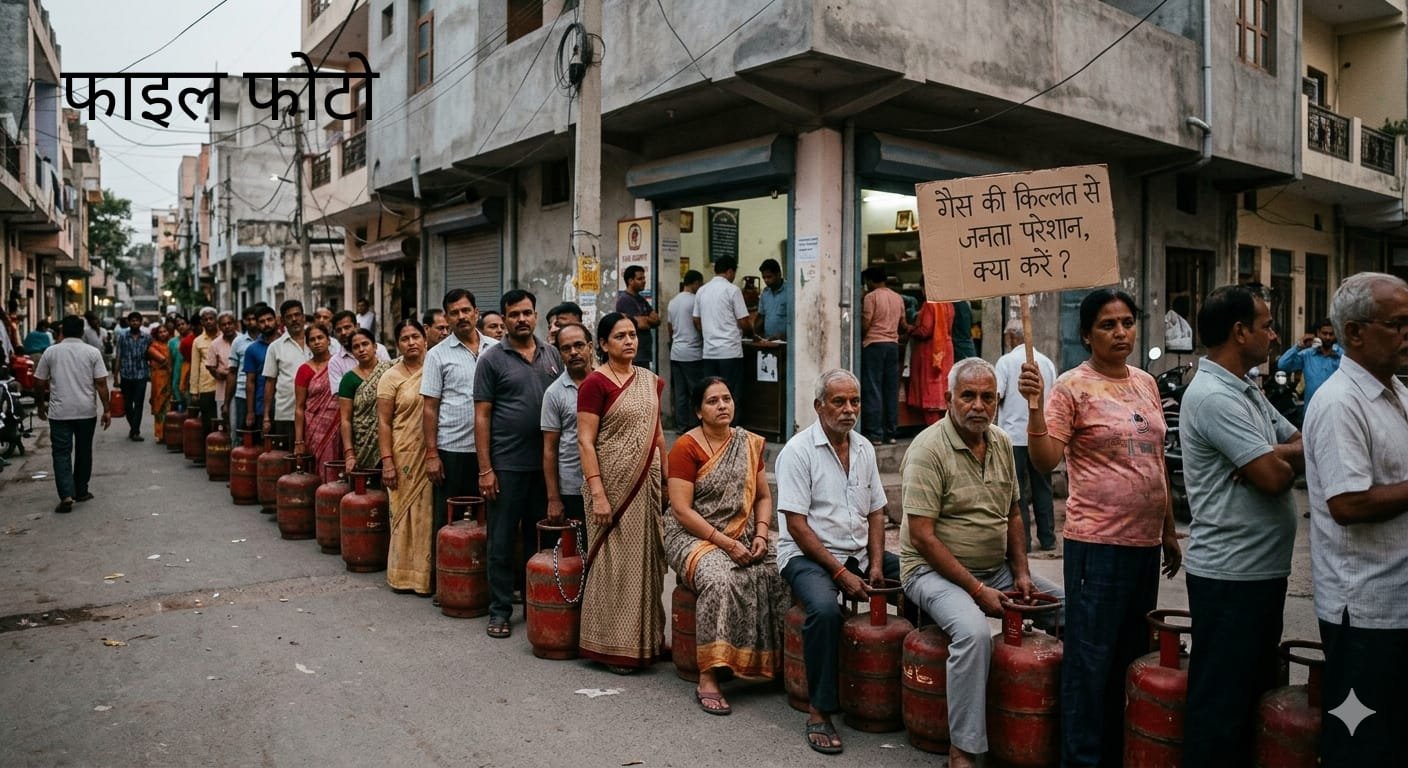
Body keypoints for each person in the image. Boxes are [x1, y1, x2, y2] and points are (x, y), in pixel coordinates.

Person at [1020, 288, 1182, 768]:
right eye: (1108, 325)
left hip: (1143, 544)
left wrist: (1168, 530)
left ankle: (1115, 751)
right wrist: (1033, 407)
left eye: (1127, 322)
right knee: (1090, 661)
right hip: (1097, 543)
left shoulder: (1146, 384)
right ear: (1087, 333)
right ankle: (1081, 758)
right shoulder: (1072, 386)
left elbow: (1157, 464)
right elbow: (1046, 460)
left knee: (1131, 653)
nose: (1120, 332)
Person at [901, 357, 1064, 768]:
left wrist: (1023, 573)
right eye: (968, 396)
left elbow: (1012, 514)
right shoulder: (928, 448)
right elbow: (922, 535)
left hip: (997, 569)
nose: (978, 405)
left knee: (1068, 607)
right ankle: (964, 750)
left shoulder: (1002, 442)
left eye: (987, 397)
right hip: (929, 570)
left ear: (997, 401)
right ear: (948, 398)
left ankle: (1063, 726)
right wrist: (976, 591)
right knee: (972, 634)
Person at [1179, 283, 1302, 768]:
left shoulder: (1245, 386)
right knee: (1220, 709)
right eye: (1267, 325)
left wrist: (1272, 452)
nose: (1273, 336)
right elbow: (1274, 478)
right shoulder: (1212, 396)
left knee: (1251, 697)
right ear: (1239, 331)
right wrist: (1272, 458)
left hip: (1260, 573)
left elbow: (1300, 440)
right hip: (1230, 577)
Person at [1303, 272, 1408, 767]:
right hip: (1365, 609)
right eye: (1399, 324)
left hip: (1397, 601)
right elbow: (1347, 504)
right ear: (1357, 332)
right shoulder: (1340, 402)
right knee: (1358, 740)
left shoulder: (1397, 393)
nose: (1407, 334)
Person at [775, 368, 899, 755]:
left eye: (855, 402)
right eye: (839, 402)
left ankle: (905, 693)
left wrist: (876, 563)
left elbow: (877, 511)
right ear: (818, 406)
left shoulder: (863, 447)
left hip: (858, 552)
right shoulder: (797, 451)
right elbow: (796, 525)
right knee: (826, 610)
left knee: (917, 581)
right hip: (806, 556)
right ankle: (819, 710)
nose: (849, 410)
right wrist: (840, 572)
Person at [666, 376, 788, 714]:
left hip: (743, 534)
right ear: (698, 411)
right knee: (721, 580)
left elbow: (763, 496)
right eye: (712, 401)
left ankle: (774, 666)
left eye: (727, 399)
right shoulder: (686, 447)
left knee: (782, 571)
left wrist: (762, 535)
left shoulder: (748, 443)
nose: (722, 406)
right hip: (691, 536)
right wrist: (725, 544)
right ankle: (709, 675)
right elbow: (681, 510)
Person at [576, 312, 666, 669]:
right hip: (610, 487)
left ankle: (647, 642)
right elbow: (585, 442)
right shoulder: (595, 384)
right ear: (603, 344)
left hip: (647, 484)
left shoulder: (649, 381)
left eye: (632, 335)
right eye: (620, 336)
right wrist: (598, 493)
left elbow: (657, 437)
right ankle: (611, 646)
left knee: (647, 562)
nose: (629, 341)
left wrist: (671, 488)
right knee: (614, 565)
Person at [474, 289, 563, 638]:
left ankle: (535, 604)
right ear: (504, 319)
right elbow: (481, 417)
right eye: (514, 314)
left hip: (546, 468)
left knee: (537, 540)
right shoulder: (492, 360)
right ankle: (499, 611)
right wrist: (486, 468)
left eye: (527, 313)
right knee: (500, 540)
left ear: (536, 315)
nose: (522, 319)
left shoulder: (552, 354)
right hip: (507, 465)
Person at [422, 289, 496, 570]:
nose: (462, 316)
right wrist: (432, 454)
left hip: (489, 452)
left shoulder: (496, 349)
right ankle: (445, 582)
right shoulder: (437, 355)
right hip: (452, 450)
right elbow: (430, 408)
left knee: (488, 518)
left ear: (476, 312)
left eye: (466, 310)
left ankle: (482, 581)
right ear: (447, 318)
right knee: (447, 519)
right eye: (455, 312)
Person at [34, 315, 111, 513]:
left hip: (59, 413)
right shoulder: (92, 352)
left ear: (61, 332)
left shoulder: (51, 352)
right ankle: (81, 491)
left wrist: (41, 405)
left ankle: (66, 495)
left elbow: (39, 381)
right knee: (84, 451)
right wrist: (107, 410)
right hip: (86, 411)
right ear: (81, 332)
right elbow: (101, 383)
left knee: (61, 453)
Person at [994, 319, 1059, 552]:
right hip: (1040, 437)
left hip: (1013, 438)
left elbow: (996, 395)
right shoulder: (1046, 363)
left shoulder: (1005, 362)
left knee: (1017, 492)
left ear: (1011, 336)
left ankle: (1025, 543)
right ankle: (1048, 538)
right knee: (1043, 488)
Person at [377, 319, 431, 594]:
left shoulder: (436, 368)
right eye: (405, 338)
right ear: (397, 344)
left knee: (428, 514)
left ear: (425, 339)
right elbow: (384, 422)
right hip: (403, 452)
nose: (411, 342)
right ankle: (402, 576)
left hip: (431, 451)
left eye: (415, 336)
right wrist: (387, 461)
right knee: (403, 512)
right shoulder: (391, 376)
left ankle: (426, 578)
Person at [541, 322, 592, 524]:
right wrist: (553, 498)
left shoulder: (607, 384)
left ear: (590, 346)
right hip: (572, 487)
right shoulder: (554, 394)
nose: (573, 352)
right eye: (566, 348)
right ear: (559, 353)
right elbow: (549, 450)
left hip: (609, 484)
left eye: (579, 345)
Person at [693, 256, 750, 402]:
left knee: (711, 394)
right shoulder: (733, 290)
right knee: (730, 393)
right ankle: (731, 424)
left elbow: (696, 321)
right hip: (730, 352)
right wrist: (752, 335)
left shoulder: (701, 290)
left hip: (709, 353)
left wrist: (709, 334)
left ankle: (712, 424)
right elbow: (744, 321)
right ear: (730, 271)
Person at [860, 266, 907, 444]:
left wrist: (860, 336)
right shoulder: (897, 297)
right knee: (890, 389)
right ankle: (891, 433)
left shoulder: (870, 297)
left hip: (874, 345)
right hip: (892, 346)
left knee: (873, 389)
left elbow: (866, 322)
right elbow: (903, 324)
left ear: (870, 281)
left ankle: (875, 433)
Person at [338, 329, 392, 470]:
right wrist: (349, 454)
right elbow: (345, 419)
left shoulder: (390, 371)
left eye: (365, 344)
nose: (361, 349)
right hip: (363, 446)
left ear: (374, 347)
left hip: (392, 442)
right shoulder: (348, 380)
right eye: (356, 347)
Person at [293, 323, 342, 477]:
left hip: (338, 427)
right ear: (308, 345)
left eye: (320, 337)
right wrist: (299, 442)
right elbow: (299, 407)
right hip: (314, 429)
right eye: (312, 340)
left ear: (329, 340)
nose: (317, 342)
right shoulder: (304, 370)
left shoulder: (338, 364)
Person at [262, 300, 311, 440]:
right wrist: (266, 416)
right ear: (282, 321)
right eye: (289, 317)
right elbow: (270, 382)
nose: (294, 319)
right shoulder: (275, 347)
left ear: (304, 317)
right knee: (288, 456)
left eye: (297, 315)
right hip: (286, 412)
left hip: (316, 412)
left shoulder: (319, 342)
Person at [906, 301, 956, 426]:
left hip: (932, 350)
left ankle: (936, 432)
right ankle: (944, 430)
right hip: (945, 347)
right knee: (943, 390)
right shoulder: (948, 304)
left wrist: (910, 329)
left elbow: (925, 330)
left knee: (931, 394)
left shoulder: (930, 305)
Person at [1276, 316, 1342, 411]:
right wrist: (1298, 346)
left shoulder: (1341, 355)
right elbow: (1282, 364)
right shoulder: (1307, 355)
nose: (1328, 337)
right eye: (1324, 333)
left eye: (1331, 334)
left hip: (1334, 411)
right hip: (1311, 411)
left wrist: (1337, 352)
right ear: (1318, 333)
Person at [667, 270, 705, 431]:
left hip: (676, 352)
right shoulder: (695, 301)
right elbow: (699, 324)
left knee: (680, 393)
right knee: (695, 392)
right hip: (692, 353)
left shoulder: (673, 302)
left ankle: (681, 426)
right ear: (695, 283)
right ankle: (695, 425)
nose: (700, 287)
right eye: (700, 284)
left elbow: (670, 328)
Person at [113, 311, 151, 442]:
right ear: (129, 322)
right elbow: (118, 356)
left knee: (139, 403)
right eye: (132, 320)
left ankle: (136, 431)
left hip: (141, 375)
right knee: (128, 405)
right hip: (126, 374)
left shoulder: (146, 337)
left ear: (141, 322)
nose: (135, 322)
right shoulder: (122, 336)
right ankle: (133, 427)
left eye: (137, 320)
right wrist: (116, 376)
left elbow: (151, 355)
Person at [329, 310, 390, 388]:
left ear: (357, 326)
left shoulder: (379, 349)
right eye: (338, 330)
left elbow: (390, 379)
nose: (343, 333)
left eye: (347, 327)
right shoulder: (335, 362)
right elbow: (340, 393)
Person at [241, 305, 277, 434]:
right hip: (261, 406)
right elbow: (250, 382)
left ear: (276, 320)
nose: (266, 324)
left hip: (285, 404)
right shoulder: (252, 349)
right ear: (257, 324)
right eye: (262, 321)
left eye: (269, 319)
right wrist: (250, 412)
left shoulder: (286, 344)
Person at [616, 265, 660, 367]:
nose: (644, 281)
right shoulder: (625, 300)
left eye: (644, 278)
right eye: (640, 279)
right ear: (630, 281)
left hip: (643, 354)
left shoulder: (641, 299)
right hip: (634, 355)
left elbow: (657, 320)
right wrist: (646, 320)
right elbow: (641, 324)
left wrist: (645, 320)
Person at [224, 306, 259, 433]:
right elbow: (232, 372)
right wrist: (227, 403)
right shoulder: (238, 342)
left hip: (261, 393)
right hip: (242, 393)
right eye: (248, 319)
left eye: (254, 319)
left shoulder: (268, 341)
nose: (251, 322)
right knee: (242, 431)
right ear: (243, 321)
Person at [205, 311, 237, 425]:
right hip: (222, 390)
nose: (227, 326)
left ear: (235, 324)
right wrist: (219, 373)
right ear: (220, 327)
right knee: (224, 424)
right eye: (224, 324)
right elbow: (210, 366)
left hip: (242, 391)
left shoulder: (244, 341)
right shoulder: (215, 344)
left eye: (230, 323)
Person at [147, 325, 173, 442]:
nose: (163, 334)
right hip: (159, 380)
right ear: (156, 335)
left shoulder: (171, 344)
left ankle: (170, 433)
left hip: (171, 377)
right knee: (159, 405)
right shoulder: (154, 347)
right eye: (160, 332)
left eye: (165, 331)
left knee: (169, 406)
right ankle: (160, 434)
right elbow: (164, 360)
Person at [755, 258, 789, 342]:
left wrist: (784, 336)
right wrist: (756, 334)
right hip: (768, 342)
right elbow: (761, 317)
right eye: (764, 277)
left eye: (769, 277)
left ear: (778, 274)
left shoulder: (791, 291)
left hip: (786, 343)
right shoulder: (765, 293)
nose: (766, 280)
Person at [168, 315, 189, 409]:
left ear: (188, 325)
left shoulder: (194, 340)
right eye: (178, 325)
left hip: (189, 374)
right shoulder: (172, 342)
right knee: (178, 402)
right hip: (177, 374)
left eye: (183, 324)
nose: (181, 326)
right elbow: (170, 362)